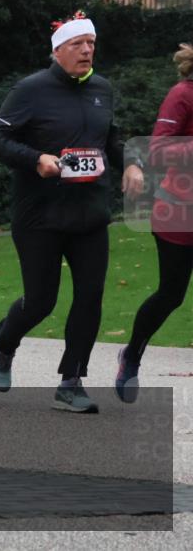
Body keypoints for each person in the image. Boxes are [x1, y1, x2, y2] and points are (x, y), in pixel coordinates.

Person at [0, 12, 144, 413]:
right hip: (40, 214)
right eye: (78, 44)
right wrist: (36, 157)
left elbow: (110, 138)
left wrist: (131, 163)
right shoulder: (31, 89)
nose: (87, 50)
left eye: (91, 43)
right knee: (41, 302)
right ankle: (4, 342)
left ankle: (71, 382)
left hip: (90, 213)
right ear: (58, 51)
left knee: (90, 297)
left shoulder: (103, 90)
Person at [116, 42, 192, 403]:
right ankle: (131, 356)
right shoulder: (182, 95)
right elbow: (158, 149)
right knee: (171, 294)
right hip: (180, 212)